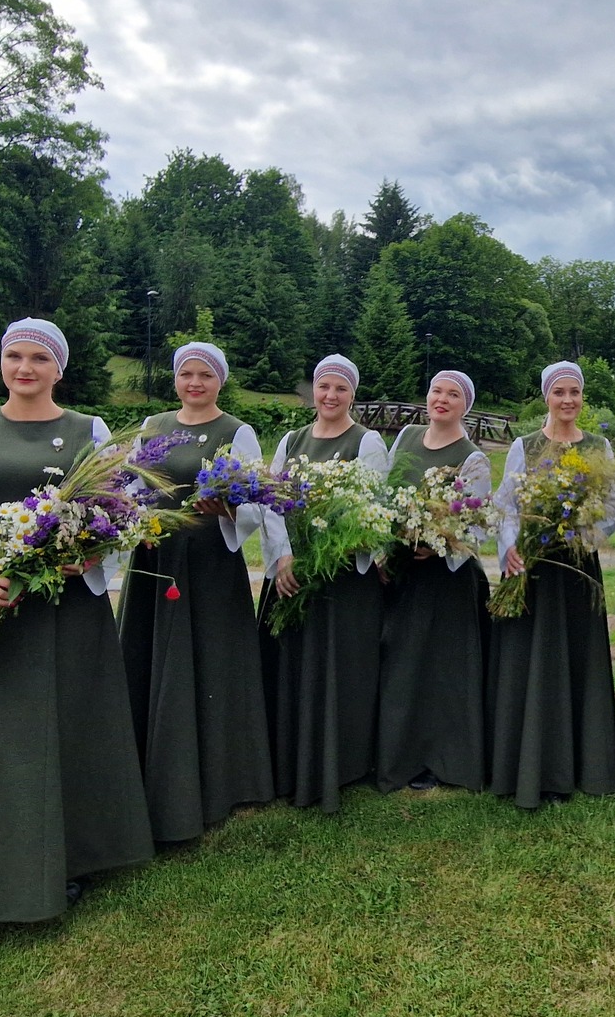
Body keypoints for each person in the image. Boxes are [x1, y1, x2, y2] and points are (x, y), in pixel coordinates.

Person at [0, 319, 153, 927]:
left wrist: (98, 552)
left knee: (70, 723)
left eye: (38, 359)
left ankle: (75, 853)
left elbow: (123, 507)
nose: (25, 368)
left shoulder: (87, 429)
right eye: (14, 356)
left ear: (59, 369)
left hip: (67, 606)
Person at [119, 341, 275, 844]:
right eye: (186, 374)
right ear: (175, 379)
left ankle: (219, 777)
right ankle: (154, 764)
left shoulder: (236, 431)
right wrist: (131, 515)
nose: (195, 383)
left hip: (208, 562)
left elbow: (255, 502)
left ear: (220, 381)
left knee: (211, 660)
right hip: (156, 555)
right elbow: (133, 486)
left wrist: (227, 510)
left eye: (205, 375)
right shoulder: (154, 427)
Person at [488, 361, 615, 809]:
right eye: (559, 392)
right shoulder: (524, 446)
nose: (568, 400)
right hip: (533, 567)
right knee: (536, 663)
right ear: (546, 396)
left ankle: (584, 764)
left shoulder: (597, 446)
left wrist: (584, 529)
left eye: (575, 393)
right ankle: (532, 764)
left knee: (576, 659)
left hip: (578, 566)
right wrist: (511, 547)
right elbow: (506, 504)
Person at [259, 354, 390, 813]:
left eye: (340, 388)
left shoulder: (367, 441)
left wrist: (331, 547)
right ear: (312, 391)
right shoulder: (292, 440)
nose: (330, 396)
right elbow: (270, 503)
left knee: (341, 670)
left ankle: (345, 761)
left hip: (340, 580)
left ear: (353, 394)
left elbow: (370, 506)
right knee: (295, 667)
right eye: (323, 387)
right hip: (294, 573)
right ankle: (293, 758)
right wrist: (283, 557)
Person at [377, 369, 493, 793]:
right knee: (402, 665)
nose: (442, 400)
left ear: (466, 405)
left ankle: (442, 759)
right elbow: (384, 496)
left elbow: (476, 525)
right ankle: (399, 754)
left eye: (453, 395)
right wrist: (385, 548)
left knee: (441, 671)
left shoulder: (472, 456)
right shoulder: (406, 437)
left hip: (448, 580)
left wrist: (440, 542)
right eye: (436, 391)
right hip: (404, 572)